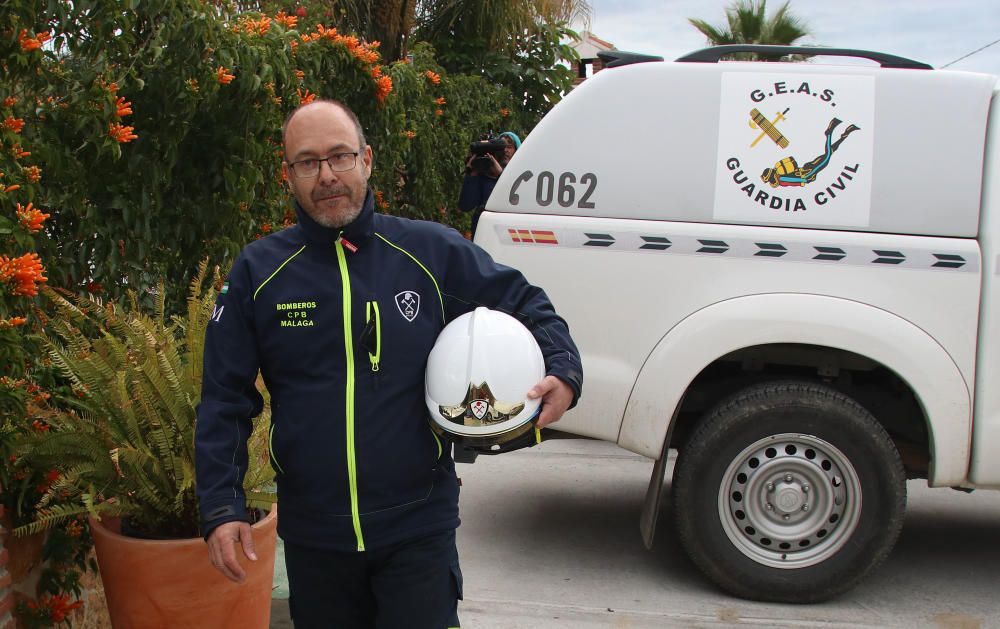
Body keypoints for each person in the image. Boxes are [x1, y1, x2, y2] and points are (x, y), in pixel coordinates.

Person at [194, 100, 581, 629]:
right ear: (288, 176)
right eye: (307, 162)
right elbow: (223, 396)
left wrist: (562, 367)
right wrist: (222, 506)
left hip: (417, 532)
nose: (327, 175)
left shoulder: (430, 251)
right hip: (316, 540)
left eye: (340, 156)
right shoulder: (260, 273)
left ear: (367, 160)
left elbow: (525, 300)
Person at [458, 131, 520, 235]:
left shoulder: (521, 178)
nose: (505, 150)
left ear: (517, 151)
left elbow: (514, 204)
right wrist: (472, 175)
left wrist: (501, 175)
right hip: (484, 234)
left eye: (509, 146)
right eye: (501, 147)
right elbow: (465, 206)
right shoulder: (484, 176)